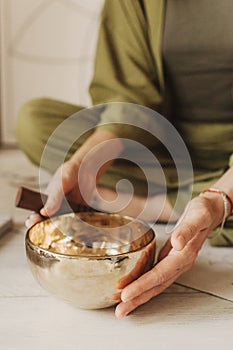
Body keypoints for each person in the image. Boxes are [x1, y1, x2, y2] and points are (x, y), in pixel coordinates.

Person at [16, 0, 233, 319]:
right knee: (35, 121)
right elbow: (129, 96)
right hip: (162, 143)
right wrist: (86, 164)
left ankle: (159, 205)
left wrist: (218, 199)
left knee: (219, 202)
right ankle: (191, 207)